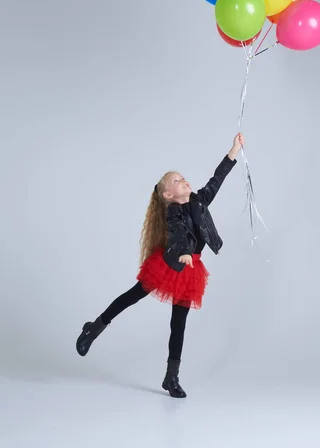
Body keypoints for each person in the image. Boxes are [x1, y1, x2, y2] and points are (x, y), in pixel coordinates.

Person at [76, 133, 245, 398]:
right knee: (133, 296)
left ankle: (171, 377)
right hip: (171, 262)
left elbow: (217, 180)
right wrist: (184, 253)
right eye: (176, 181)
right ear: (168, 194)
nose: (184, 180)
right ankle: (94, 328)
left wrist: (233, 151)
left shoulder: (200, 200)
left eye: (183, 177)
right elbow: (177, 233)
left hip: (191, 269)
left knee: (179, 323)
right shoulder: (172, 212)